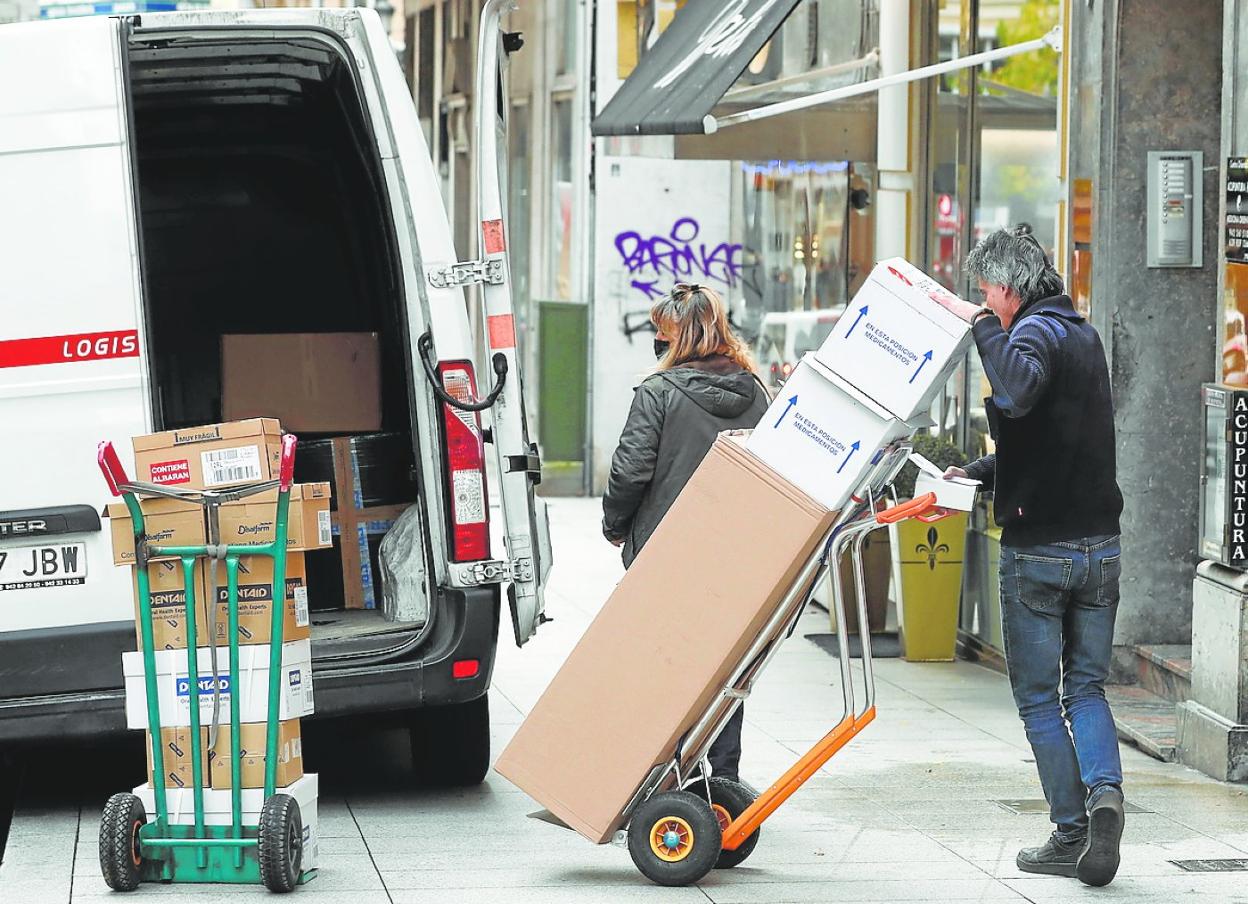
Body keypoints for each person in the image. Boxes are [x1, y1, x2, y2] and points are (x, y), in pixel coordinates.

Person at [934, 226, 1126, 888]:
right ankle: (1106, 798)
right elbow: (1052, 437)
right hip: (1099, 545)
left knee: (1041, 699)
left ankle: (1073, 832)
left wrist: (982, 326)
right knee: (1088, 686)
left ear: (1009, 291)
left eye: (987, 291)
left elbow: (1015, 392)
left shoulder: (1030, 334)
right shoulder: (1082, 334)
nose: (983, 299)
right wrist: (984, 470)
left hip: (1040, 553)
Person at [602, 283, 769, 783]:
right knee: (724, 669)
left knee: (667, 666)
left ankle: (672, 777)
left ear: (672, 336)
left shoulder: (657, 393)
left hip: (667, 553)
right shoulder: (757, 392)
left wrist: (615, 527)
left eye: (660, 331)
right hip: (736, 556)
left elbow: (630, 470)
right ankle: (722, 780)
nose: (654, 338)